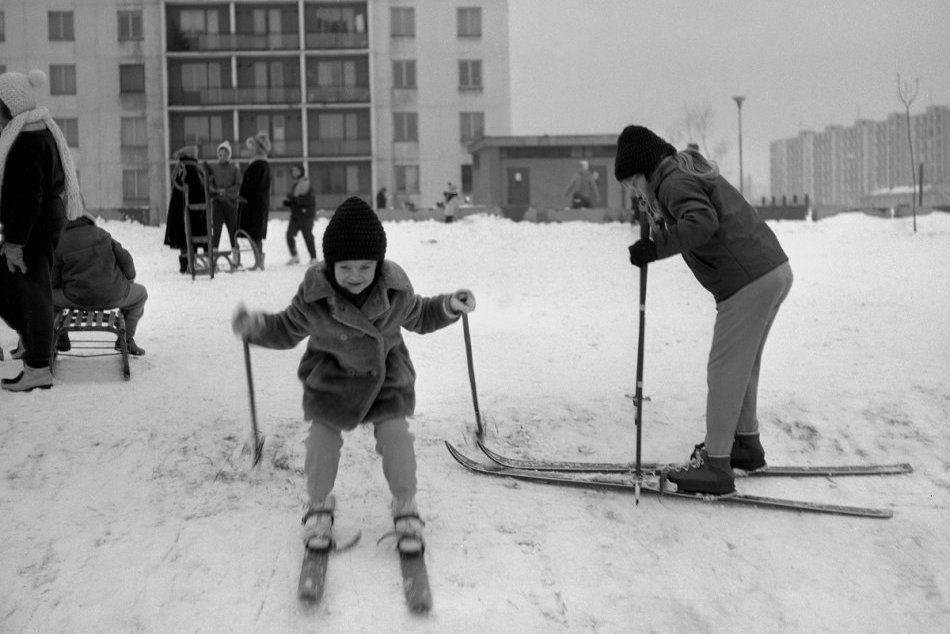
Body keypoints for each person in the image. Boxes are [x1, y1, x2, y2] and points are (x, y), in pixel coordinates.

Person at [231, 196, 476, 554]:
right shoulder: (315, 298)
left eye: (366, 267)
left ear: (379, 264)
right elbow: (286, 328)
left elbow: (422, 314)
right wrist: (257, 327)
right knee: (321, 440)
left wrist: (449, 306)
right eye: (346, 267)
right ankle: (318, 507)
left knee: (396, 437)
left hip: (385, 379)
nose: (356, 276)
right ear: (330, 265)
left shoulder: (394, 293)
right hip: (332, 380)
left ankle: (405, 506)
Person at [614, 124, 793, 496]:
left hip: (747, 281)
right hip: (769, 270)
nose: (634, 191)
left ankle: (716, 466)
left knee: (724, 369)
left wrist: (656, 246)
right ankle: (744, 444)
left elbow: (702, 222)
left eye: (633, 182)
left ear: (645, 170)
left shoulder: (672, 182)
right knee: (743, 367)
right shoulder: (678, 174)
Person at [0, 69, 82, 392]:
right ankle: (34, 343)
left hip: (33, 228)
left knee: (33, 291)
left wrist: (16, 242)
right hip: (40, 224)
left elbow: (27, 197)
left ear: (10, 108)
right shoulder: (35, 130)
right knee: (19, 284)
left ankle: (37, 366)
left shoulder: (26, 139)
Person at [51, 212, 148, 356]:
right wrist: (130, 279)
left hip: (75, 299)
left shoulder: (61, 242)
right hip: (113, 295)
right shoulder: (103, 235)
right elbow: (126, 259)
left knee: (47, 298)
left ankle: (59, 337)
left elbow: (54, 280)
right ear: (90, 222)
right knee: (141, 294)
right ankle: (127, 340)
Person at [164, 144, 208, 274]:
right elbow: (196, 188)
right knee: (190, 234)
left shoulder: (181, 168)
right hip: (192, 210)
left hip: (180, 208)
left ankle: (185, 263)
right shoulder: (191, 169)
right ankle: (189, 263)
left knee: (183, 237)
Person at [238, 131, 272, 270]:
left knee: (255, 234)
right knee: (254, 234)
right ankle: (258, 262)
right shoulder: (259, 164)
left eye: (252, 146)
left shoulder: (260, 164)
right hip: (254, 203)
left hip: (254, 205)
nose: (249, 149)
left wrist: (244, 193)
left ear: (258, 148)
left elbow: (253, 185)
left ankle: (259, 262)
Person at [205, 140, 242, 253]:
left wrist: (226, 191)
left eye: (225, 155)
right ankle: (214, 256)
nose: (222, 157)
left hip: (230, 202)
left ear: (229, 155)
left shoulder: (234, 168)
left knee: (232, 230)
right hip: (217, 202)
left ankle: (236, 257)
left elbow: (238, 185)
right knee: (216, 230)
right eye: (220, 155)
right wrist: (216, 191)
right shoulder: (213, 168)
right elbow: (209, 184)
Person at [283, 164, 317, 265]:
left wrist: (293, 199)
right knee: (289, 235)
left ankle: (313, 258)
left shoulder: (306, 183)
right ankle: (295, 256)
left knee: (307, 236)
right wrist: (289, 203)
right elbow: (297, 200)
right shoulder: (296, 184)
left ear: (301, 171)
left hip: (306, 215)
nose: (294, 173)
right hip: (296, 215)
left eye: (296, 171)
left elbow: (307, 200)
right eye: (293, 171)